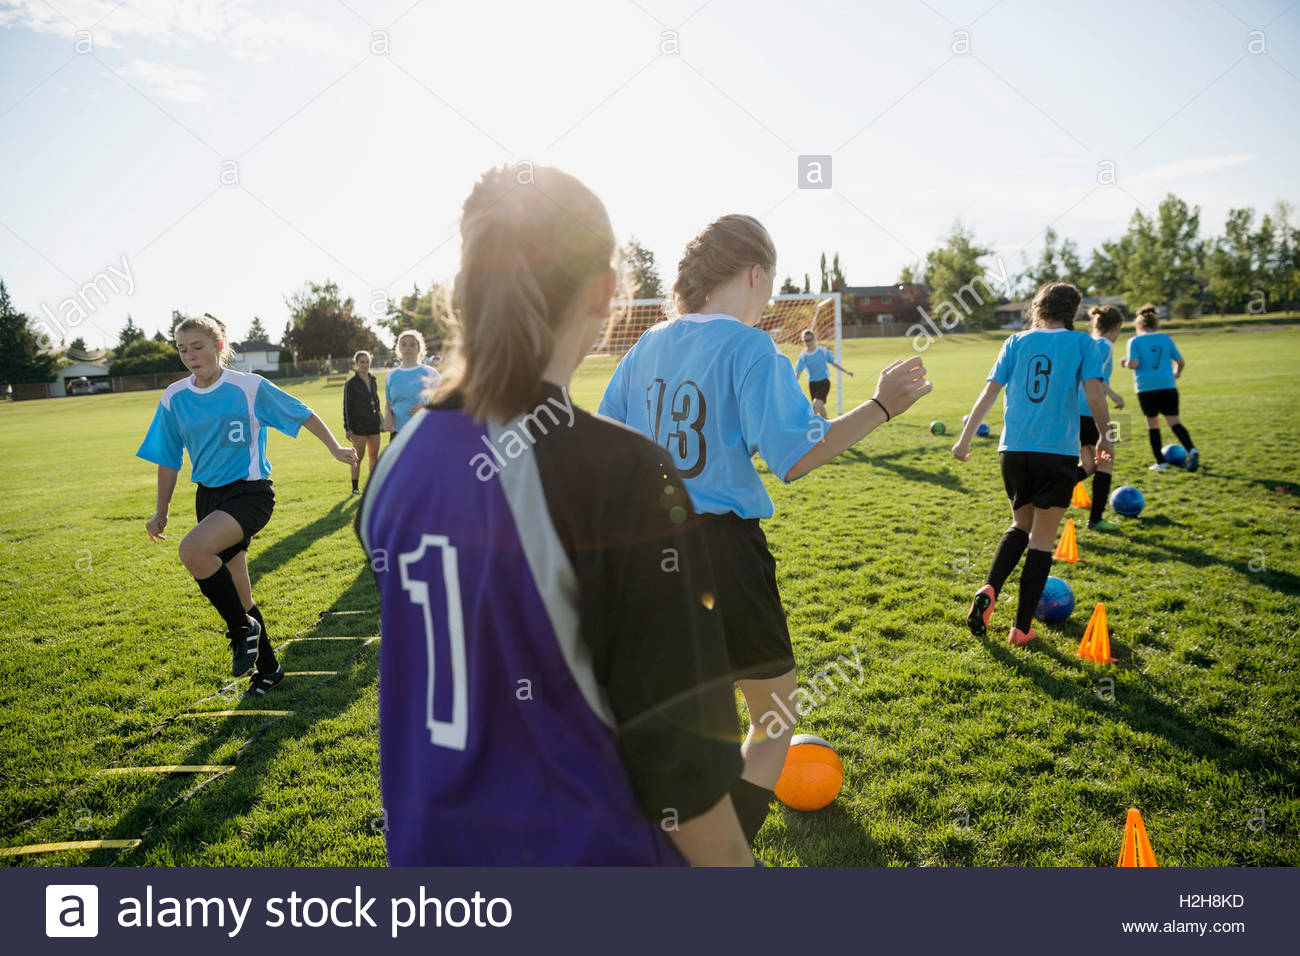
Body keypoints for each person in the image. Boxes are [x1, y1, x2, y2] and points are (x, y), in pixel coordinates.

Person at [357, 165, 755, 866]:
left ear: (464, 292)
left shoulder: (397, 462)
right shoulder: (620, 473)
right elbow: (682, 771)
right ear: (607, 293)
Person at [598, 213, 931, 844]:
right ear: (754, 273)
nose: (771, 299)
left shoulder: (648, 345)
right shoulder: (750, 347)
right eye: (771, 284)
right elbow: (795, 456)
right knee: (773, 718)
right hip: (721, 551)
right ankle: (723, 860)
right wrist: (883, 405)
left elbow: (606, 445)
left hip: (645, 553)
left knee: (691, 725)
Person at [138, 314, 359, 696]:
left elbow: (302, 412)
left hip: (250, 494)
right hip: (209, 498)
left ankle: (242, 629)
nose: (190, 356)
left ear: (220, 346)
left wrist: (335, 447)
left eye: (198, 347)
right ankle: (270, 669)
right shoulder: (174, 397)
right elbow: (168, 457)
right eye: (182, 349)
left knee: (192, 551)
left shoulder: (249, 387)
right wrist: (162, 510)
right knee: (241, 594)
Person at [953, 282, 1111, 646]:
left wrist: (964, 439)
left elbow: (988, 393)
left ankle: (990, 588)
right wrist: (1104, 435)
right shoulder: (1083, 343)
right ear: (1073, 312)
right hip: (1056, 452)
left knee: (1019, 524)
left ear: (1038, 307)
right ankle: (1021, 629)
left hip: (1013, 451)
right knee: (1041, 541)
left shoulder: (1016, 342)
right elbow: (1093, 394)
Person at [1119, 304, 1200, 472]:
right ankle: (1192, 449)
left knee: (1152, 424)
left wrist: (1124, 362)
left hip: (1146, 387)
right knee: (1174, 421)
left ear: (1139, 325)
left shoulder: (1134, 341)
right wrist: (1176, 373)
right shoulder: (1165, 338)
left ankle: (1161, 463)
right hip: (1168, 385)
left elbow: (1134, 364)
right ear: (1156, 324)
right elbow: (1181, 361)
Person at [1076, 305, 1126, 530]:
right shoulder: (1103, 345)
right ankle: (1096, 520)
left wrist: (1111, 393)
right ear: (1116, 327)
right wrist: (1113, 394)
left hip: (1075, 410)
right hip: (1089, 409)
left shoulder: (1089, 342)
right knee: (1106, 459)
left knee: (1088, 464)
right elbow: (1094, 377)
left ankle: (1044, 493)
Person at [384, 330, 441, 440]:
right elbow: (388, 404)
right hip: (397, 434)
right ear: (399, 348)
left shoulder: (429, 372)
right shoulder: (391, 375)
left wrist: (428, 408)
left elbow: (447, 396)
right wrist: (387, 415)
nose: (408, 347)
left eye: (412, 344)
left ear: (419, 348)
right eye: (404, 344)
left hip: (422, 431)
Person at [343, 349, 383, 494]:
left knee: (374, 456)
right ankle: (355, 488)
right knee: (358, 457)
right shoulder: (351, 384)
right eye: (362, 362)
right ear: (356, 364)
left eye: (367, 362)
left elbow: (376, 402)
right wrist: (348, 428)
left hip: (373, 424)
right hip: (358, 426)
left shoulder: (373, 380)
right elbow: (347, 406)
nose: (365, 365)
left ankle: (372, 487)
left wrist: (381, 420)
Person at [794, 327, 853, 418]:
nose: (808, 343)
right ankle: (827, 424)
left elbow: (834, 363)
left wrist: (846, 371)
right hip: (812, 385)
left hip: (824, 383)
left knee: (814, 407)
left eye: (810, 340)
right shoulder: (803, 356)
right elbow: (797, 373)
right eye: (805, 341)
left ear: (814, 339)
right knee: (821, 409)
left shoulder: (823, 351)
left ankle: (805, 426)